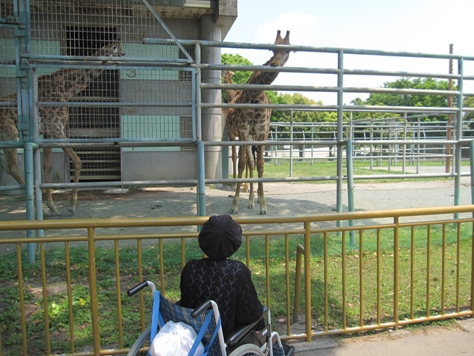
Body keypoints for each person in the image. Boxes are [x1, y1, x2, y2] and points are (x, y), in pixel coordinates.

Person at [180, 214, 264, 338]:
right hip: (223, 340)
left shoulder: (190, 268)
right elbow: (252, 313)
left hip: (192, 336)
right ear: (234, 242)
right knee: (261, 316)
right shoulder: (237, 271)